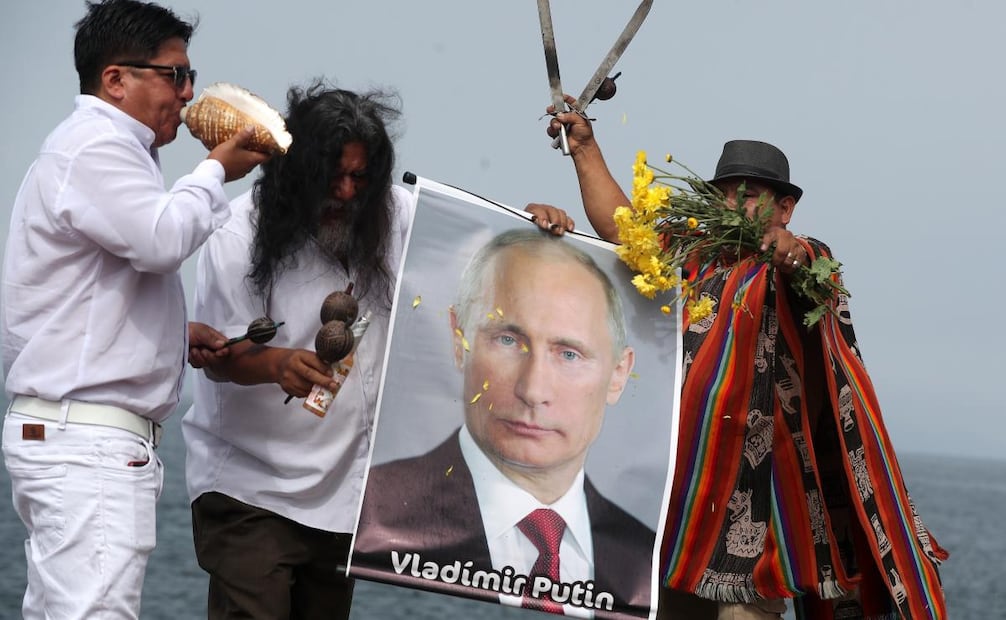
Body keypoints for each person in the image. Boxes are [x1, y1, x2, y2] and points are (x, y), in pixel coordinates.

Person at [541, 97, 949, 620]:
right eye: (727, 193)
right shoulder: (692, 252)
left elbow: (811, 270)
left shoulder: (806, 257)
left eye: (751, 195)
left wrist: (790, 250)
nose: (736, 204)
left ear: (784, 208)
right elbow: (623, 227)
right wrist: (585, 147)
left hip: (759, 513)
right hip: (681, 504)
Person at [180, 81, 574, 619]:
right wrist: (275, 365)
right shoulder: (235, 234)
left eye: (360, 177)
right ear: (295, 173)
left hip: (344, 497)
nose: (345, 193)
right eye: (331, 177)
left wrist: (532, 227)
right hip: (250, 491)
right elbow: (220, 359)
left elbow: (476, 244)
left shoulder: (393, 212)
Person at [0, 0, 266, 617]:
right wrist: (214, 169)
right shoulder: (96, 146)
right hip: (88, 440)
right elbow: (160, 240)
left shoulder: (96, 148)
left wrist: (174, 336)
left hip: (73, 434)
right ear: (115, 79)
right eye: (174, 74)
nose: (189, 91)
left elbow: (88, 300)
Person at [353, 228, 656, 619]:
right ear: (458, 338)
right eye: (508, 341)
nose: (533, 390)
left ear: (618, 374)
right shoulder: (376, 506)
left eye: (568, 354)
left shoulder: (645, 557)